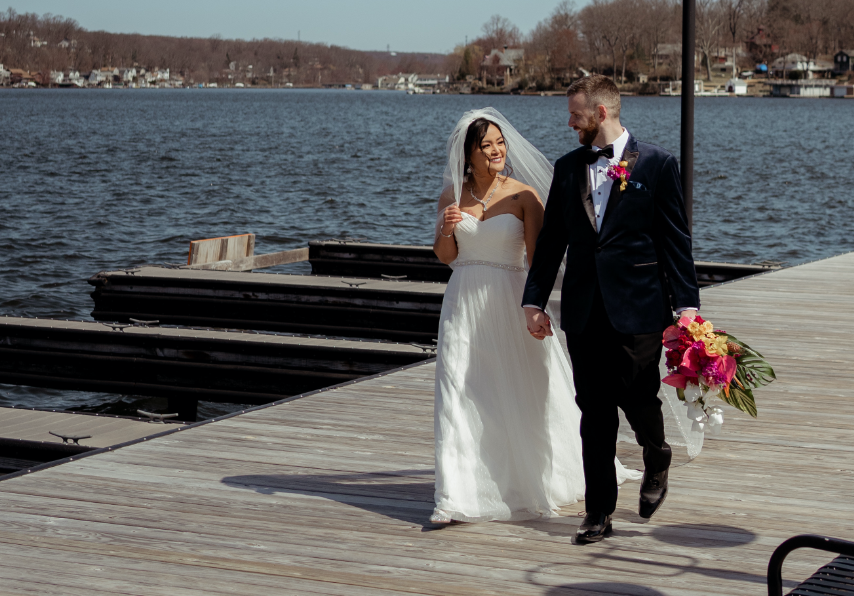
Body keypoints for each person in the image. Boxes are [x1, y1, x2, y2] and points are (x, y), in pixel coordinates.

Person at [430, 108, 641, 524]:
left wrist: (537, 308)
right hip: (463, 301)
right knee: (456, 390)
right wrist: (446, 227)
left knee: (520, 392)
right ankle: (454, 494)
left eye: (499, 142)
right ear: (468, 154)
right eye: (485, 145)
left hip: (509, 297)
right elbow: (446, 257)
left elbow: (540, 259)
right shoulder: (452, 195)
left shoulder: (525, 195)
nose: (495, 150)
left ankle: (529, 476)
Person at [522, 75, 701, 543]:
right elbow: (551, 244)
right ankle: (598, 512)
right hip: (583, 311)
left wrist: (687, 308)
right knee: (594, 412)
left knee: (639, 399)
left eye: (575, 113)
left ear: (601, 113)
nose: (569, 122)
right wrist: (533, 300)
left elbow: (675, 241)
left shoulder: (659, 165)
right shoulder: (566, 169)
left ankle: (656, 454)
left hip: (640, 308)